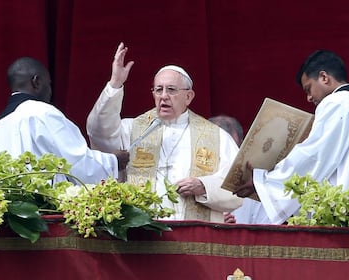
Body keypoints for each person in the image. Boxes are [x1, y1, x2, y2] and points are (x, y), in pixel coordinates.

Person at [86, 42, 242, 222]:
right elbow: (98, 130)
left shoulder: (217, 137)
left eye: (171, 90)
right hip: (143, 237)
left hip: (193, 239)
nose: (164, 96)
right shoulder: (132, 129)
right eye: (158, 89)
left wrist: (204, 186)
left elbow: (237, 188)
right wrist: (115, 83)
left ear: (189, 96)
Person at [234, 50, 349, 225]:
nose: (308, 97)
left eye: (308, 89)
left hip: (344, 214)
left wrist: (265, 180)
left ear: (324, 77)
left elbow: (314, 155)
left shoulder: (335, 103)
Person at [0, 57, 129, 184]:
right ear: (36, 82)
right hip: (46, 213)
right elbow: (77, 163)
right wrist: (114, 161)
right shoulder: (41, 113)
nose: (50, 91)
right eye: (49, 84)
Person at [209, 115, 270, 224]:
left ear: (242, 147)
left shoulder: (253, 185)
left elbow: (265, 231)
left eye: (230, 148)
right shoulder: (191, 180)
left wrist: (236, 232)